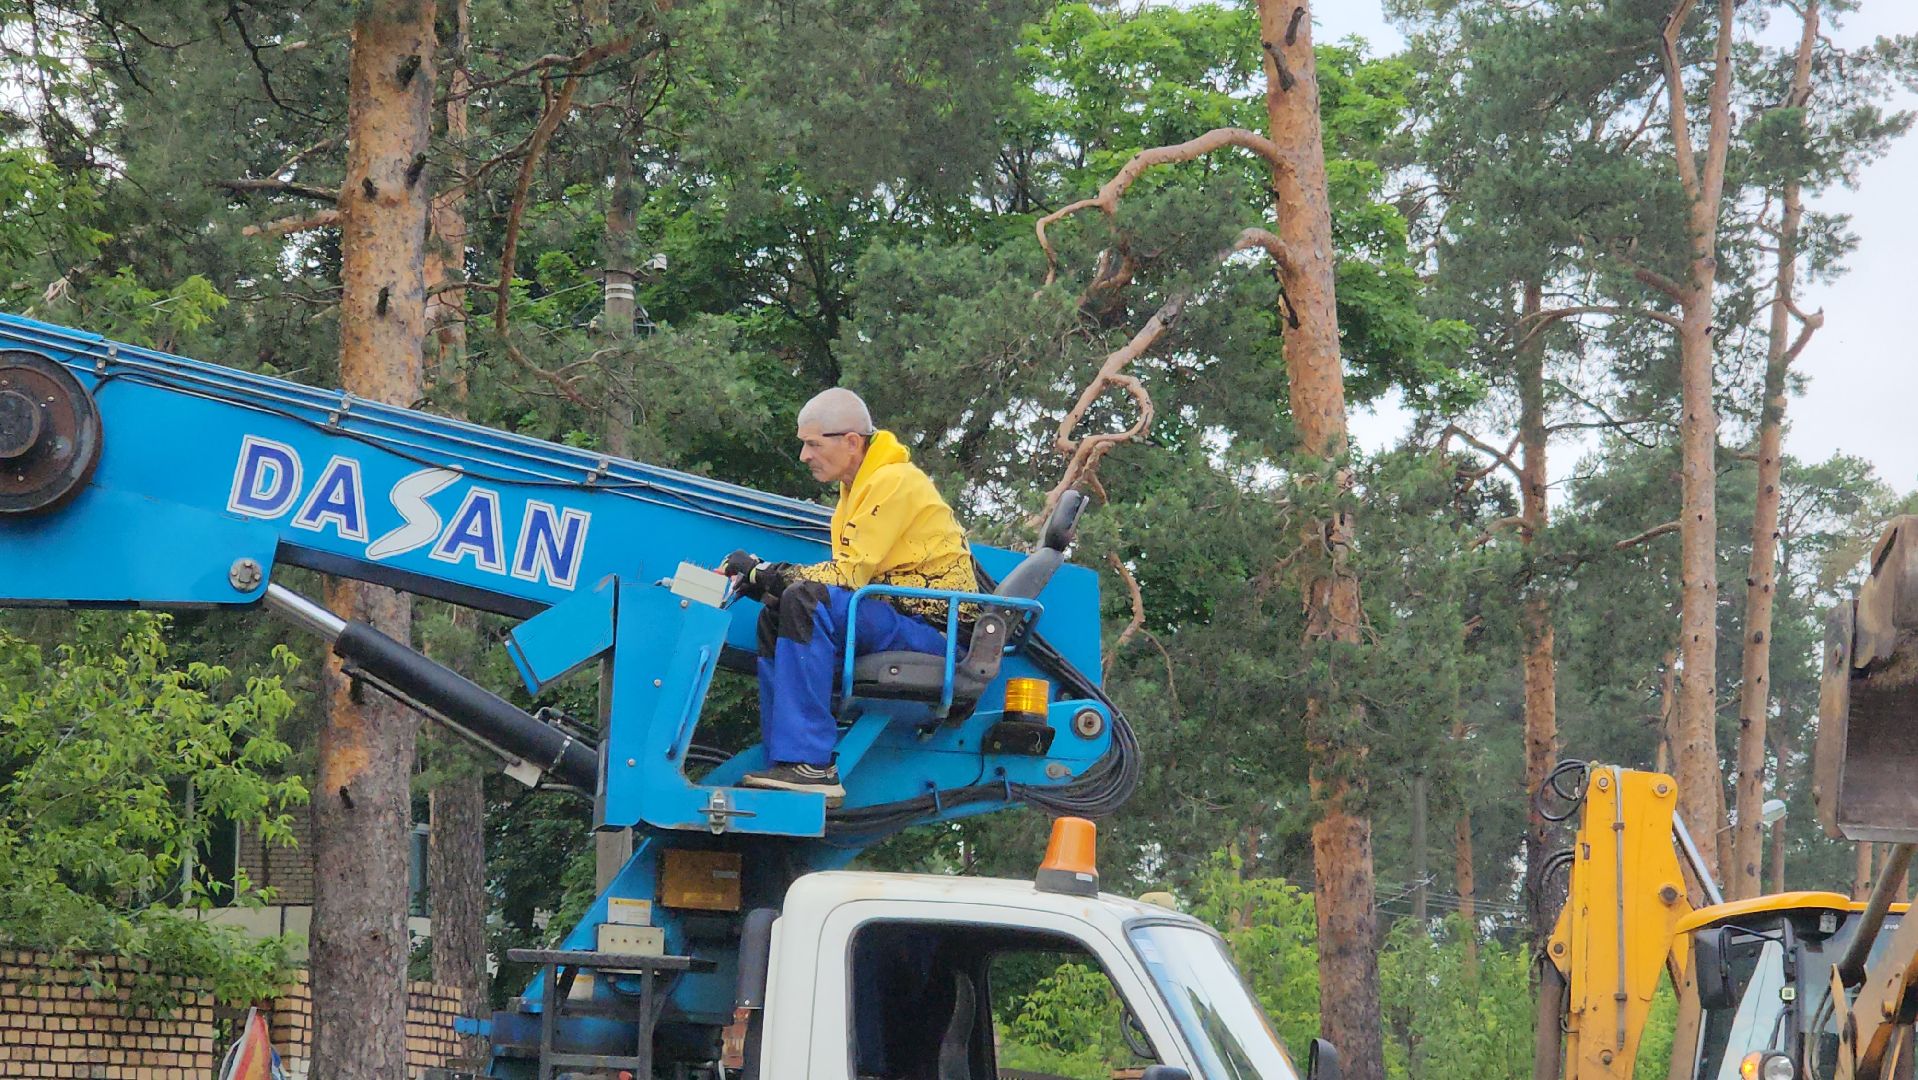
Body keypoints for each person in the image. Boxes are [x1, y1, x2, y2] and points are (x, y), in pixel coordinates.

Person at [722, 388, 977, 804]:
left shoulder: (892, 482)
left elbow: (848, 576)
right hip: (893, 618)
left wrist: (768, 572)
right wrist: (765, 583)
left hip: (933, 631)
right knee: (777, 612)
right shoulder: (856, 489)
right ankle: (787, 761)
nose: (804, 455)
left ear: (852, 442)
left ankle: (813, 765)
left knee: (804, 600)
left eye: (812, 444)